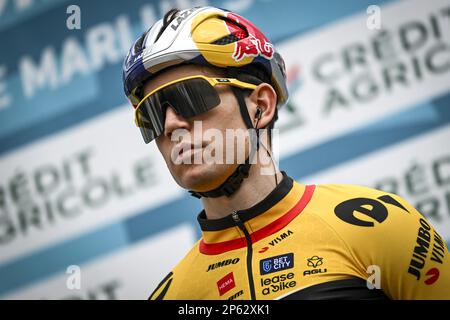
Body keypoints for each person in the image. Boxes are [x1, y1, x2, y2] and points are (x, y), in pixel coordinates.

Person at [122, 6, 449, 300]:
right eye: (150, 114)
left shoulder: (377, 225)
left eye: (188, 97)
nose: (170, 125)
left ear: (261, 106)